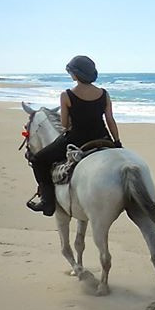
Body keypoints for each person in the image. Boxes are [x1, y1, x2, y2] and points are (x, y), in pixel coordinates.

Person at [27, 55, 121, 216]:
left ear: (75, 74)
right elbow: (110, 119)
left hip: (76, 139)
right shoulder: (104, 94)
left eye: (70, 72)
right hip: (103, 137)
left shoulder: (67, 95)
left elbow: (64, 125)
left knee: (38, 160)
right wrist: (117, 142)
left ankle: (47, 202)